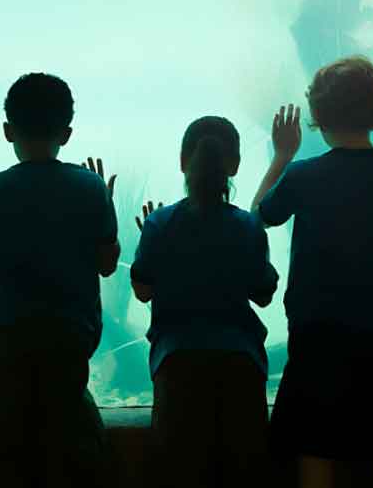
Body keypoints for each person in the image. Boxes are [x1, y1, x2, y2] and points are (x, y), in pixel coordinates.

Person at [251, 56, 373, 488]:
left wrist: (282, 155)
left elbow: (257, 216)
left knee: (316, 448)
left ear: (318, 114)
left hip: (318, 334)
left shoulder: (301, 175)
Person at [0, 72, 120, 488]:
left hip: (6, 336)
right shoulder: (89, 188)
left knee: (1, 445)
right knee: (70, 445)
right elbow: (107, 263)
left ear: (7, 131)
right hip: (69, 335)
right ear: (66, 134)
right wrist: (105, 204)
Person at [130, 116, 279, 488]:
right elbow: (263, 295)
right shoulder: (247, 226)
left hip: (177, 365)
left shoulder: (160, 224)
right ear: (236, 165)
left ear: (183, 160)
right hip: (240, 365)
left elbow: (143, 289)